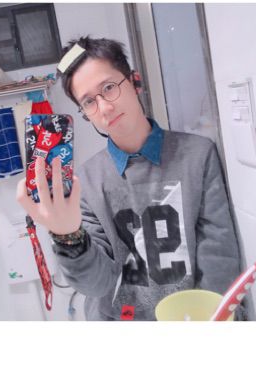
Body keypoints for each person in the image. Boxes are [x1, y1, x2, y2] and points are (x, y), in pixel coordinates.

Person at [16, 36, 244, 320]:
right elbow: (96, 285)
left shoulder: (198, 156)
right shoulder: (84, 183)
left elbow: (218, 259)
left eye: (109, 88)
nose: (104, 108)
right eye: (89, 101)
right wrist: (69, 238)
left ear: (135, 82)